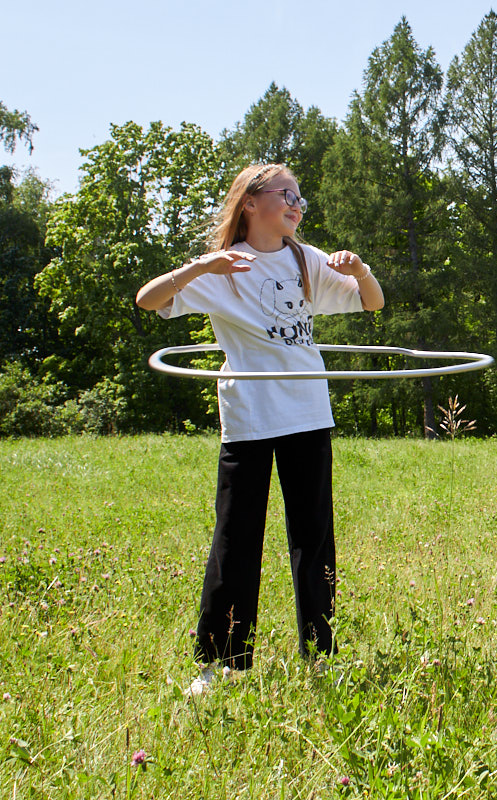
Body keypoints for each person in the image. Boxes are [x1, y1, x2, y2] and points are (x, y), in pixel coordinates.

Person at [136, 163, 384, 695]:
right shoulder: (223, 269)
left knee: (313, 538)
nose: (296, 204)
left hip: (307, 412)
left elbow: (373, 302)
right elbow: (148, 299)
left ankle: (320, 656)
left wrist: (360, 270)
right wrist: (199, 267)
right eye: (285, 195)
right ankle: (223, 664)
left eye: (300, 198)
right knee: (236, 538)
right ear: (250, 202)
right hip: (249, 416)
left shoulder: (304, 258)